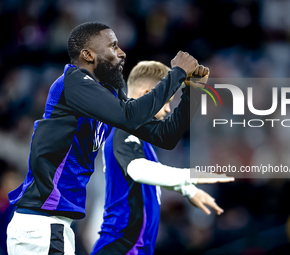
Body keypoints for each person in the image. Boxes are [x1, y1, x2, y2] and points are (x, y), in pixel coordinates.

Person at [6, 21, 204, 255]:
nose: (122, 52)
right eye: (112, 46)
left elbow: (165, 136)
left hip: (53, 227)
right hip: (40, 225)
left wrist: (193, 89)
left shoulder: (106, 100)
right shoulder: (73, 82)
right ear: (88, 54)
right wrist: (177, 73)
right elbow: (130, 116)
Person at [91, 61, 234, 255]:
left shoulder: (152, 132)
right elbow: (137, 170)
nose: (168, 109)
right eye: (165, 102)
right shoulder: (122, 131)